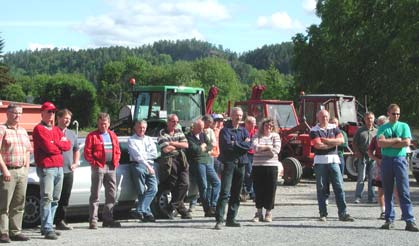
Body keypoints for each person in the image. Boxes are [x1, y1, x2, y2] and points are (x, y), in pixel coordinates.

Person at [377, 104, 418, 231]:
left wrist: (389, 144)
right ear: (388, 113)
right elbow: (380, 143)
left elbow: (406, 142)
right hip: (387, 161)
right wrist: (396, 140)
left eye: (398, 113)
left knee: (404, 191)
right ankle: (389, 219)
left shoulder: (404, 126)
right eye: (394, 113)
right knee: (388, 191)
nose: (396, 116)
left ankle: (409, 221)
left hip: (400, 160)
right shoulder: (383, 127)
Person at [33, 102, 71, 239]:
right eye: (49, 112)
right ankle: (47, 227)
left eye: (53, 112)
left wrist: (56, 143)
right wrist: (57, 145)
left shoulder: (56, 130)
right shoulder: (39, 129)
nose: (51, 115)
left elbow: (67, 145)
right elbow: (48, 148)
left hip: (59, 167)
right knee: (47, 198)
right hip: (47, 168)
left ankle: (49, 225)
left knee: (55, 199)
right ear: (42, 113)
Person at [310, 109, 354, 222]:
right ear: (317, 117)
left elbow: (341, 140)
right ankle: (323, 213)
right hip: (320, 162)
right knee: (321, 188)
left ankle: (343, 213)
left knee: (339, 187)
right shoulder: (314, 130)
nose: (324, 118)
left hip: (334, 161)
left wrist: (326, 141)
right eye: (322, 116)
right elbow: (318, 145)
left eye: (326, 116)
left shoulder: (334, 127)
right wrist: (332, 143)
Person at [214, 107, 252, 230]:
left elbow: (248, 146)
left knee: (236, 193)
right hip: (229, 163)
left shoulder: (244, 131)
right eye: (236, 115)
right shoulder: (225, 131)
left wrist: (235, 144)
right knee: (225, 192)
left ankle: (231, 218)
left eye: (241, 116)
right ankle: (219, 220)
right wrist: (241, 144)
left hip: (241, 164)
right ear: (231, 115)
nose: (239, 118)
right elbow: (226, 147)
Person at [0, 104, 32, 243]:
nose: (17, 115)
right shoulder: (2, 129)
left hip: (21, 171)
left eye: (19, 113)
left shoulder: (23, 131)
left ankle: (15, 231)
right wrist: (4, 170)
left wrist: (26, 168)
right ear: (7, 114)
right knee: (4, 204)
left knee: (19, 203)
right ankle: (3, 232)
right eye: (14, 113)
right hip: (8, 170)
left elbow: (27, 150)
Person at [84, 113, 121, 229]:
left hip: (111, 167)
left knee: (111, 194)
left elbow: (118, 150)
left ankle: (108, 219)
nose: (103, 126)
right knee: (95, 194)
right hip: (98, 167)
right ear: (98, 123)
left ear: (109, 124)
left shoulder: (113, 135)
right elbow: (87, 152)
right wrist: (95, 163)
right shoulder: (92, 136)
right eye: (101, 124)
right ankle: (93, 220)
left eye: (105, 123)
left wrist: (116, 162)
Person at [157, 114, 191, 219]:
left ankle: (171, 206)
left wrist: (172, 143)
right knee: (175, 185)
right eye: (173, 121)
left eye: (177, 121)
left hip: (181, 160)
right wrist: (178, 144)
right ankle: (183, 211)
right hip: (170, 162)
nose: (175, 123)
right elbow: (165, 149)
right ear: (168, 122)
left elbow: (186, 145)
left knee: (185, 184)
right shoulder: (162, 133)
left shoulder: (179, 132)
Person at [186, 119, 220, 217]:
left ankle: (213, 205)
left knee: (217, 182)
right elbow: (194, 150)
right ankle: (207, 209)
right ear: (194, 127)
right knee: (203, 185)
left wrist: (203, 147)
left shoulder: (203, 135)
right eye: (199, 128)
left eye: (202, 128)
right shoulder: (189, 136)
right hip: (198, 162)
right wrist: (202, 148)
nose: (201, 130)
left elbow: (210, 145)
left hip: (207, 161)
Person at [251, 118, 282, 223]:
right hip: (258, 166)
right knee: (258, 189)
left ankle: (268, 212)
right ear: (262, 125)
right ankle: (258, 212)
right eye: (267, 125)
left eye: (271, 126)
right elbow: (254, 148)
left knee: (271, 189)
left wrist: (263, 149)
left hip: (272, 166)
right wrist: (268, 147)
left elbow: (276, 150)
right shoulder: (257, 135)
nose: (269, 127)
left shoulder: (276, 136)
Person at [128, 120, 158, 222]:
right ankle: (147, 213)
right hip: (138, 166)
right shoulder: (131, 140)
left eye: (144, 128)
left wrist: (144, 156)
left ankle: (140, 210)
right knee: (142, 191)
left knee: (154, 188)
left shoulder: (149, 139)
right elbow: (137, 156)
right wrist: (145, 160)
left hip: (150, 165)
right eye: (140, 127)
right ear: (135, 128)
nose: (142, 129)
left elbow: (154, 154)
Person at [54, 109, 80, 231]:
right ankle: (48, 222)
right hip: (54, 169)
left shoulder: (71, 134)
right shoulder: (52, 131)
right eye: (65, 118)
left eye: (69, 119)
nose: (67, 121)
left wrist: (75, 163)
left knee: (65, 197)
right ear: (58, 118)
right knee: (53, 197)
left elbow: (76, 150)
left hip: (68, 171)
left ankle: (60, 221)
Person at [367, 115, 388, 219]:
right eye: (379, 124)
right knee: (381, 189)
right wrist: (377, 159)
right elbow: (369, 152)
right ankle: (383, 211)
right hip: (380, 164)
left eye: (382, 124)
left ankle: (402, 212)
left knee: (396, 189)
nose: (380, 126)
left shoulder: (392, 135)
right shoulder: (375, 138)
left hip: (392, 163)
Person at [353, 112, 377, 204]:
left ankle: (372, 198)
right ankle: (358, 197)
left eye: (371, 118)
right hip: (362, 157)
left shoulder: (377, 131)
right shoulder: (360, 130)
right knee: (361, 178)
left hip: (373, 158)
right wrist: (357, 152)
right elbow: (354, 143)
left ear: (374, 119)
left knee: (372, 178)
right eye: (367, 118)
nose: (369, 120)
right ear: (364, 119)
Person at [241, 116, 257, 201]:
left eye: (254, 123)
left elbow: (255, 142)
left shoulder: (255, 132)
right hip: (246, 154)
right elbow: (243, 143)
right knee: (248, 173)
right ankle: (249, 191)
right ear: (247, 123)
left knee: (254, 173)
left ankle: (252, 191)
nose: (254, 125)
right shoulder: (243, 131)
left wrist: (249, 142)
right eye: (252, 123)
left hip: (254, 154)